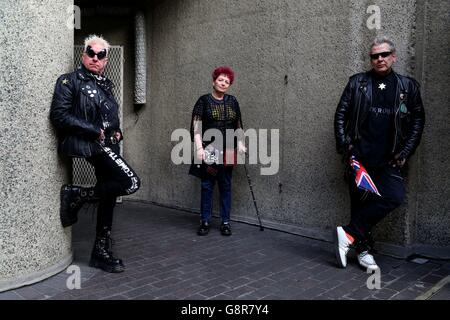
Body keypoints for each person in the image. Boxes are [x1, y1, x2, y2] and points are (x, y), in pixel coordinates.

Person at [50, 35, 140, 273]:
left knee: (109, 198)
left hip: (109, 145)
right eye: (91, 53)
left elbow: (110, 117)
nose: (95, 58)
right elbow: (59, 116)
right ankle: (77, 194)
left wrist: (118, 131)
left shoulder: (106, 84)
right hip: (89, 144)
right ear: (83, 55)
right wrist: (92, 130)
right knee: (130, 182)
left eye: (100, 55)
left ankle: (100, 253)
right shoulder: (69, 81)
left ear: (105, 60)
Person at [333, 36, 425, 270]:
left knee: (394, 196)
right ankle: (363, 252)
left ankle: (348, 233)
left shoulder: (407, 86)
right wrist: (346, 146)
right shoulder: (357, 83)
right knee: (361, 204)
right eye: (375, 56)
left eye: (384, 54)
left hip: (390, 159)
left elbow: (417, 120)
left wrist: (406, 151)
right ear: (371, 59)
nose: (380, 59)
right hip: (360, 157)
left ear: (393, 56)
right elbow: (341, 114)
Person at [189, 66, 246, 236]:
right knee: (207, 185)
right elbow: (196, 127)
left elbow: (238, 125)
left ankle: (225, 222)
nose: (223, 83)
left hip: (228, 148)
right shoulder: (204, 101)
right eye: (220, 80)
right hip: (211, 148)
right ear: (214, 81)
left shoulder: (233, 101)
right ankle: (205, 220)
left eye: (227, 82)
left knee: (226, 185)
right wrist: (199, 148)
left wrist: (241, 143)